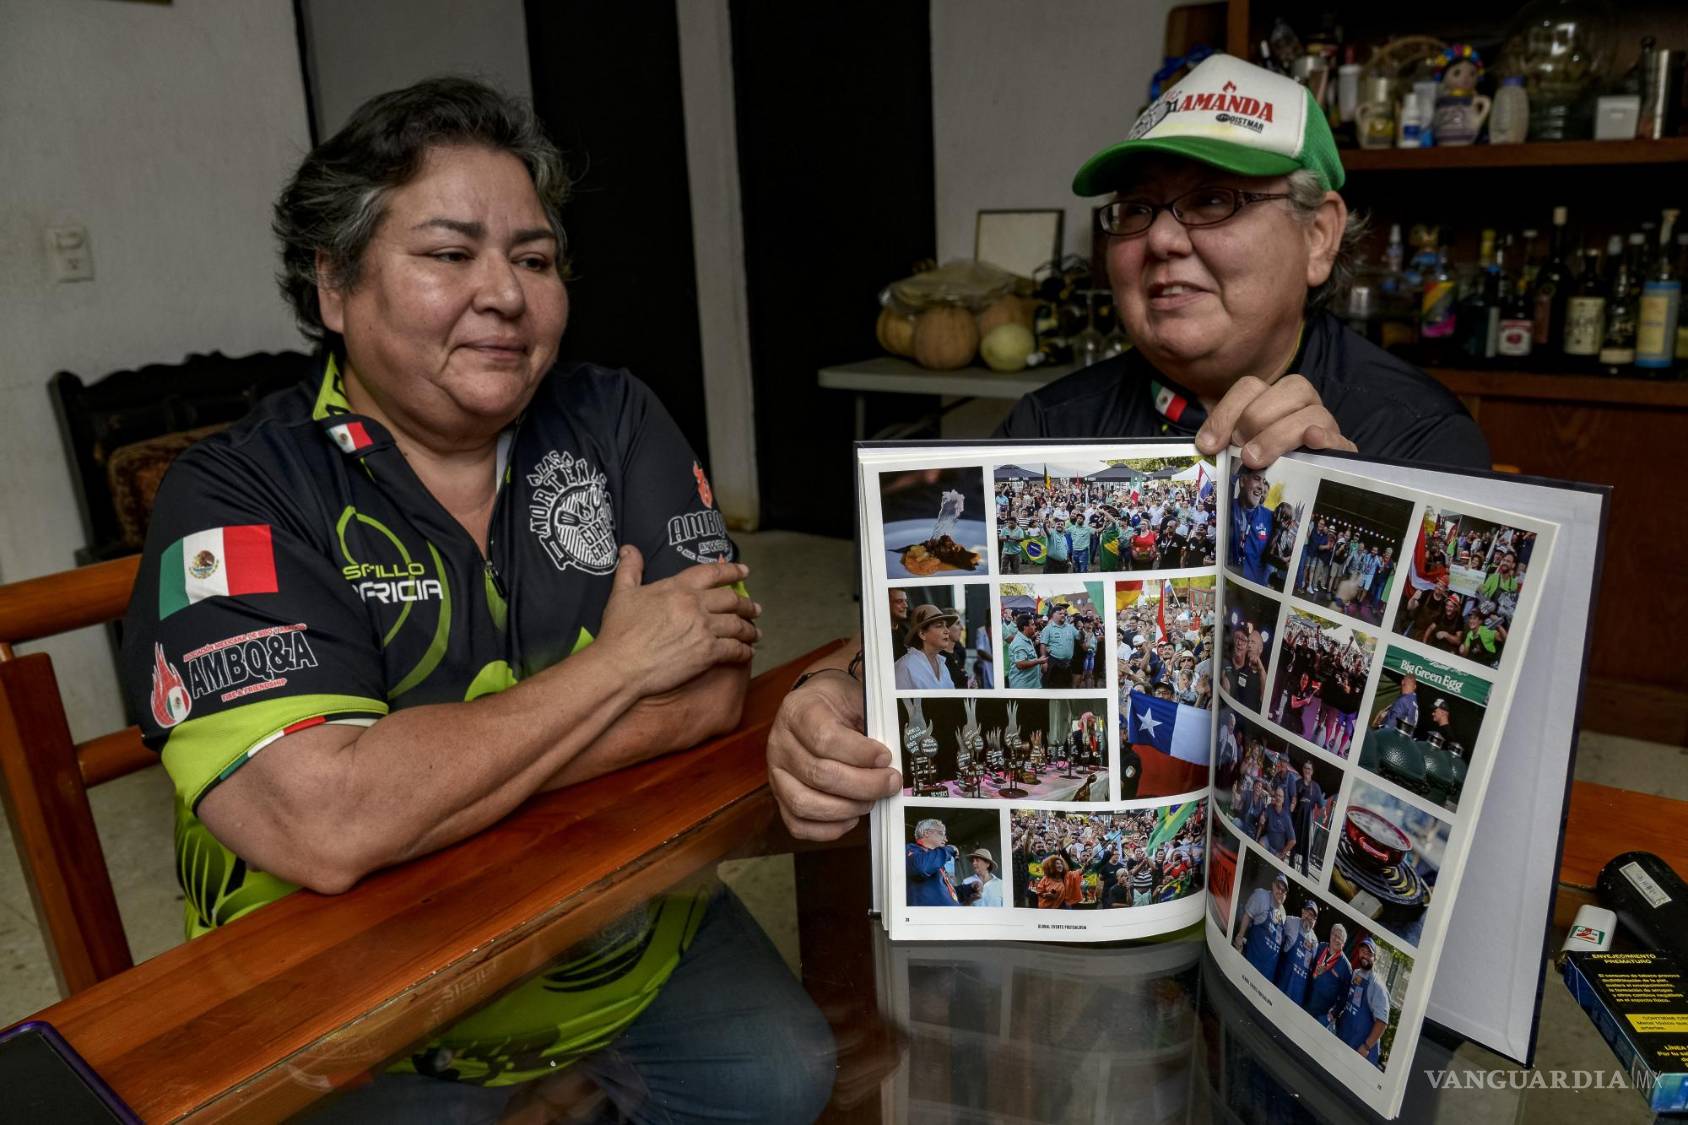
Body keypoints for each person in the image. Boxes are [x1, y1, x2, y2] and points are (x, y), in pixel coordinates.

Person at [121, 78, 831, 1119]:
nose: (505, 294)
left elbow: (712, 691)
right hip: (362, 1004)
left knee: (784, 1077)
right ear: (334, 285)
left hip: (614, 924)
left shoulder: (611, 416)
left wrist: (424, 778)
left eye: (534, 259)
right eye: (449, 254)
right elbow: (323, 823)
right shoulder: (240, 490)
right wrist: (617, 668)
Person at [764, 52, 1488, 848]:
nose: (1164, 240)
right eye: (1136, 209)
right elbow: (933, 631)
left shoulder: (1416, 441)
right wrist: (833, 687)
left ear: (1319, 236)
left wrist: (1347, 505)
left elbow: (1449, 741)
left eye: (1213, 199)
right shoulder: (1045, 428)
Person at [1335, 937, 1393, 1067]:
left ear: (1375, 958)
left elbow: (1382, 1022)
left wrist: (1366, 1047)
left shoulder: (1377, 986)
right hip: (1346, 1039)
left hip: (1361, 1051)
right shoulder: (1356, 974)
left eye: (1369, 953)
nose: (1365, 955)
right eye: (1363, 951)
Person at [1235, 873, 1289, 981]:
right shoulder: (1261, 896)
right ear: (1273, 885)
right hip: (1252, 961)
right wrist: (1240, 936)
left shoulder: (1283, 913)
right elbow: (1247, 915)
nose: (1280, 892)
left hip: (1268, 971)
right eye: (1278, 887)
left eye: (1283, 891)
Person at [894, 603, 960, 690]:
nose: (947, 631)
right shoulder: (905, 666)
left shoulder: (942, 664)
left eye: (946, 626)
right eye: (939, 626)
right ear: (922, 634)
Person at [1303, 922, 1352, 1027]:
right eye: (1335, 935)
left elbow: (1344, 999)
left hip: (1321, 1015)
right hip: (1305, 1001)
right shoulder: (1321, 947)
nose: (1336, 939)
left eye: (1340, 938)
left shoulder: (1346, 967)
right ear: (1330, 934)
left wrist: (1330, 1016)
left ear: (1344, 943)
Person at [1274, 899, 1321, 1006]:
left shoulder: (1315, 942)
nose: (1309, 917)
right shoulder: (1289, 921)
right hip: (1282, 981)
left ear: (1315, 921)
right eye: (1307, 913)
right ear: (1302, 911)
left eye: (1312, 916)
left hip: (1297, 992)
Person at [906, 819, 962, 906]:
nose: (946, 839)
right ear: (927, 833)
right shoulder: (910, 849)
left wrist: (969, 889)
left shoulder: (935, 859)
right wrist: (949, 849)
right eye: (941, 833)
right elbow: (921, 867)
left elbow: (943, 891)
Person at [1039, 603, 1080, 688]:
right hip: (1054, 663)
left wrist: (1083, 632)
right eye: (1060, 613)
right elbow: (1043, 645)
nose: (1063, 615)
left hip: (1068, 664)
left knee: (1066, 686)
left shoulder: (1070, 627)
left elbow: (1079, 637)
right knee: (1053, 687)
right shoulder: (1048, 629)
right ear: (1053, 615)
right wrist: (1044, 661)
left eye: (1064, 614)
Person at [1006, 613, 1047, 689]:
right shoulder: (1019, 643)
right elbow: (1020, 664)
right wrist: (1038, 661)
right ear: (1025, 627)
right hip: (1023, 687)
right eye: (1032, 625)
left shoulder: (1026, 638)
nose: (1035, 627)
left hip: (1031, 684)